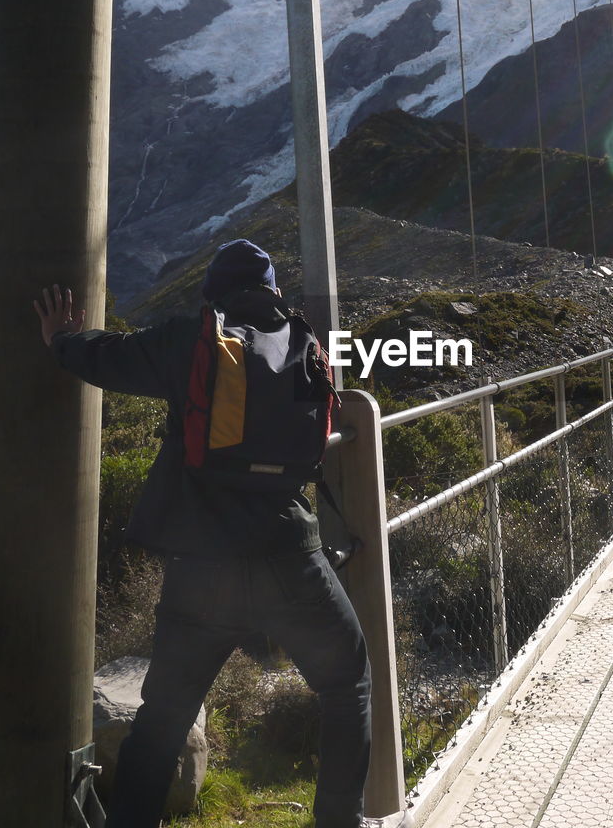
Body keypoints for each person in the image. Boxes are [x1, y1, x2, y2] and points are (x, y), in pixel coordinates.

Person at [34, 240, 373, 828]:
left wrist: (62, 339)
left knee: (163, 716)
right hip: (291, 558)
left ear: (212, 291)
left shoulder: (194, 337)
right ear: (272, 289)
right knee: (347, 685)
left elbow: (112, 357)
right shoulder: (304, 343)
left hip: (203, 569)